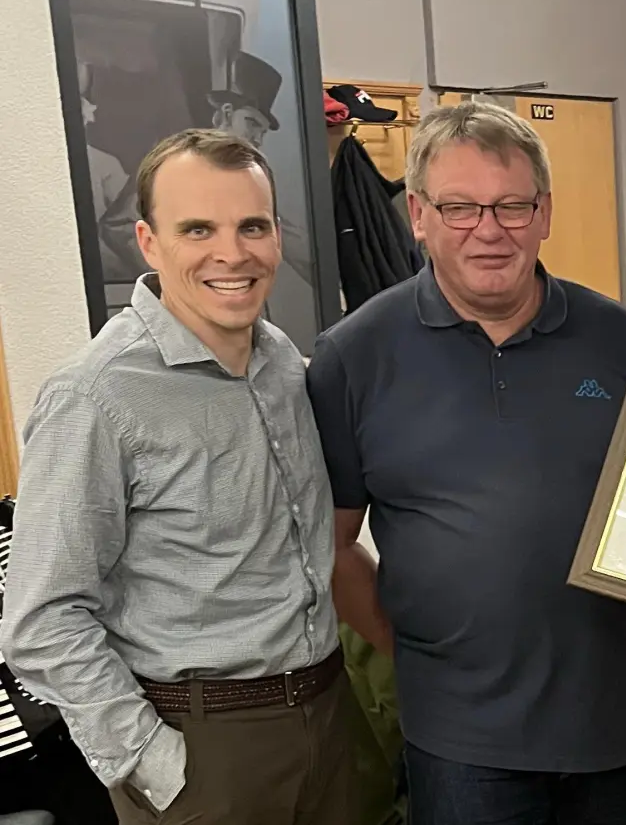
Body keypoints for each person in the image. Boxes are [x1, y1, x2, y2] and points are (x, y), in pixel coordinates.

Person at [304, 100, 626, 825]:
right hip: (460, 743)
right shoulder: (354, 356)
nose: (490, 231)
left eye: (511, 206)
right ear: (419, 214)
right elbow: (332, 546)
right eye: (461, 208)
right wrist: (418, 655)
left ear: (545, 213)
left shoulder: (616, 339)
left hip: (614, 724)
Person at [0, 128, 358, 824]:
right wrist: (152, 763)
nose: (233, 253)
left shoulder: (283, 361)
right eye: (198, 229)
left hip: (326, 719)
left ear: (277, 235)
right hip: (202, 749)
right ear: (149, 241)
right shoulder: (96, 396)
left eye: (252, 226)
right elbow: (42, 619)